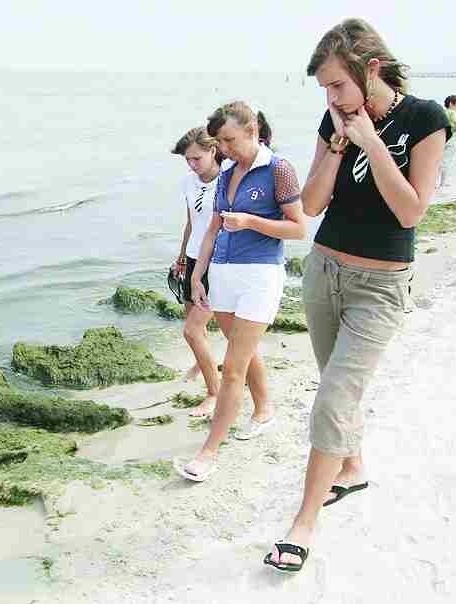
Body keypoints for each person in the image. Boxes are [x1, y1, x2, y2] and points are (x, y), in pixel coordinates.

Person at [265, 18, 450, 573]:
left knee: (334, 397)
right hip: (325, 272)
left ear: (372, 70)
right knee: (334, 386)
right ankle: (353, 468)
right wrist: (340, 145)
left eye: (337, 85)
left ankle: (304, 522)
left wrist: (373, 141)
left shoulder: (426, 120)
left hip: (381, 284)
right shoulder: (334, 119)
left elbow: (413, 210)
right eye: (323, 88)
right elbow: (314, 204)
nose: (331, 97)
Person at [174, 101, 306, 481]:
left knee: (232, 367)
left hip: (259, 276)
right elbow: (212, 230)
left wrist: (250, 221)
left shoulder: (278, 169)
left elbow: (298, 229)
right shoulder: (228, 171)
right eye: (219, 142)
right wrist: (198, 276)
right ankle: (264, 408)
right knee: (241, 351)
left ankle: (209, 452)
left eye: (229, 139)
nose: (224, 149)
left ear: (252, 130)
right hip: (222, 274)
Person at [170, 127, 222, 417]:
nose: (191, 164)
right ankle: (202, 365)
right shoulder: (188, 182)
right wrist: (181, 257)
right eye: (187, 160)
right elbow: (191, 222)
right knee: (194, 325)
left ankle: (214, 393)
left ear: (213, 150)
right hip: (191, 260)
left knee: (191, 331)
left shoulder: (228, 180)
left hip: (216, 263)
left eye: (196, 158)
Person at [440, 95, 456, 187]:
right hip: (452, 140)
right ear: (451, 104)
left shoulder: (444, 112)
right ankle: (442, 183)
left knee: (440, 161)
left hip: (444, 139)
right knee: (446, 161)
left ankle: (436, 182)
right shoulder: (452, 113)